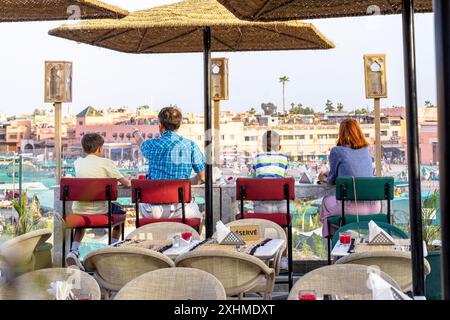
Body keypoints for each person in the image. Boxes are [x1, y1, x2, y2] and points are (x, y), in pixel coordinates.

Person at [66, 133, 131, 269]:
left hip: (79, 209)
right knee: (121, 214)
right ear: (100, 149)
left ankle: (73, 251)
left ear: (84, 149)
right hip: (102, 211)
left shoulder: (78, 163)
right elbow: (126, 183)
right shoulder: (106, 163)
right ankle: (111, 249)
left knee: (81, 221)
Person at [133, 107, 205, 220]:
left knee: (145, 210)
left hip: (153, 211)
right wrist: (185, 182)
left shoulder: (152, 145)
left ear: (160, 125)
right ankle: (191, 237)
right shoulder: (191, 146)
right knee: (198, 218)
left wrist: (136, 133)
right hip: (181, 210)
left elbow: (140, 142)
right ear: (179, 125)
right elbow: (203, 177)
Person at [318, 119, 381, 238]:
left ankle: (336, 242)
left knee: (326, 201)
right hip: (374, 207)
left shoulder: (337, 151)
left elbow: (331, 181)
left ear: (341, 133)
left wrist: (324, 176)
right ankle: (342, 242)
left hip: (352, 208)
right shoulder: (366, 151)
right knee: (334, 205)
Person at [251, 130, 289, 213]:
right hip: (281, 205)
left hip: (261, 206)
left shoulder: (257, 157)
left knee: (262, 226)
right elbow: (284, 176)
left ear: (263, 146)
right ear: (279, 147)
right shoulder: (284, 158)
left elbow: (253, 179)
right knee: (282, 225)